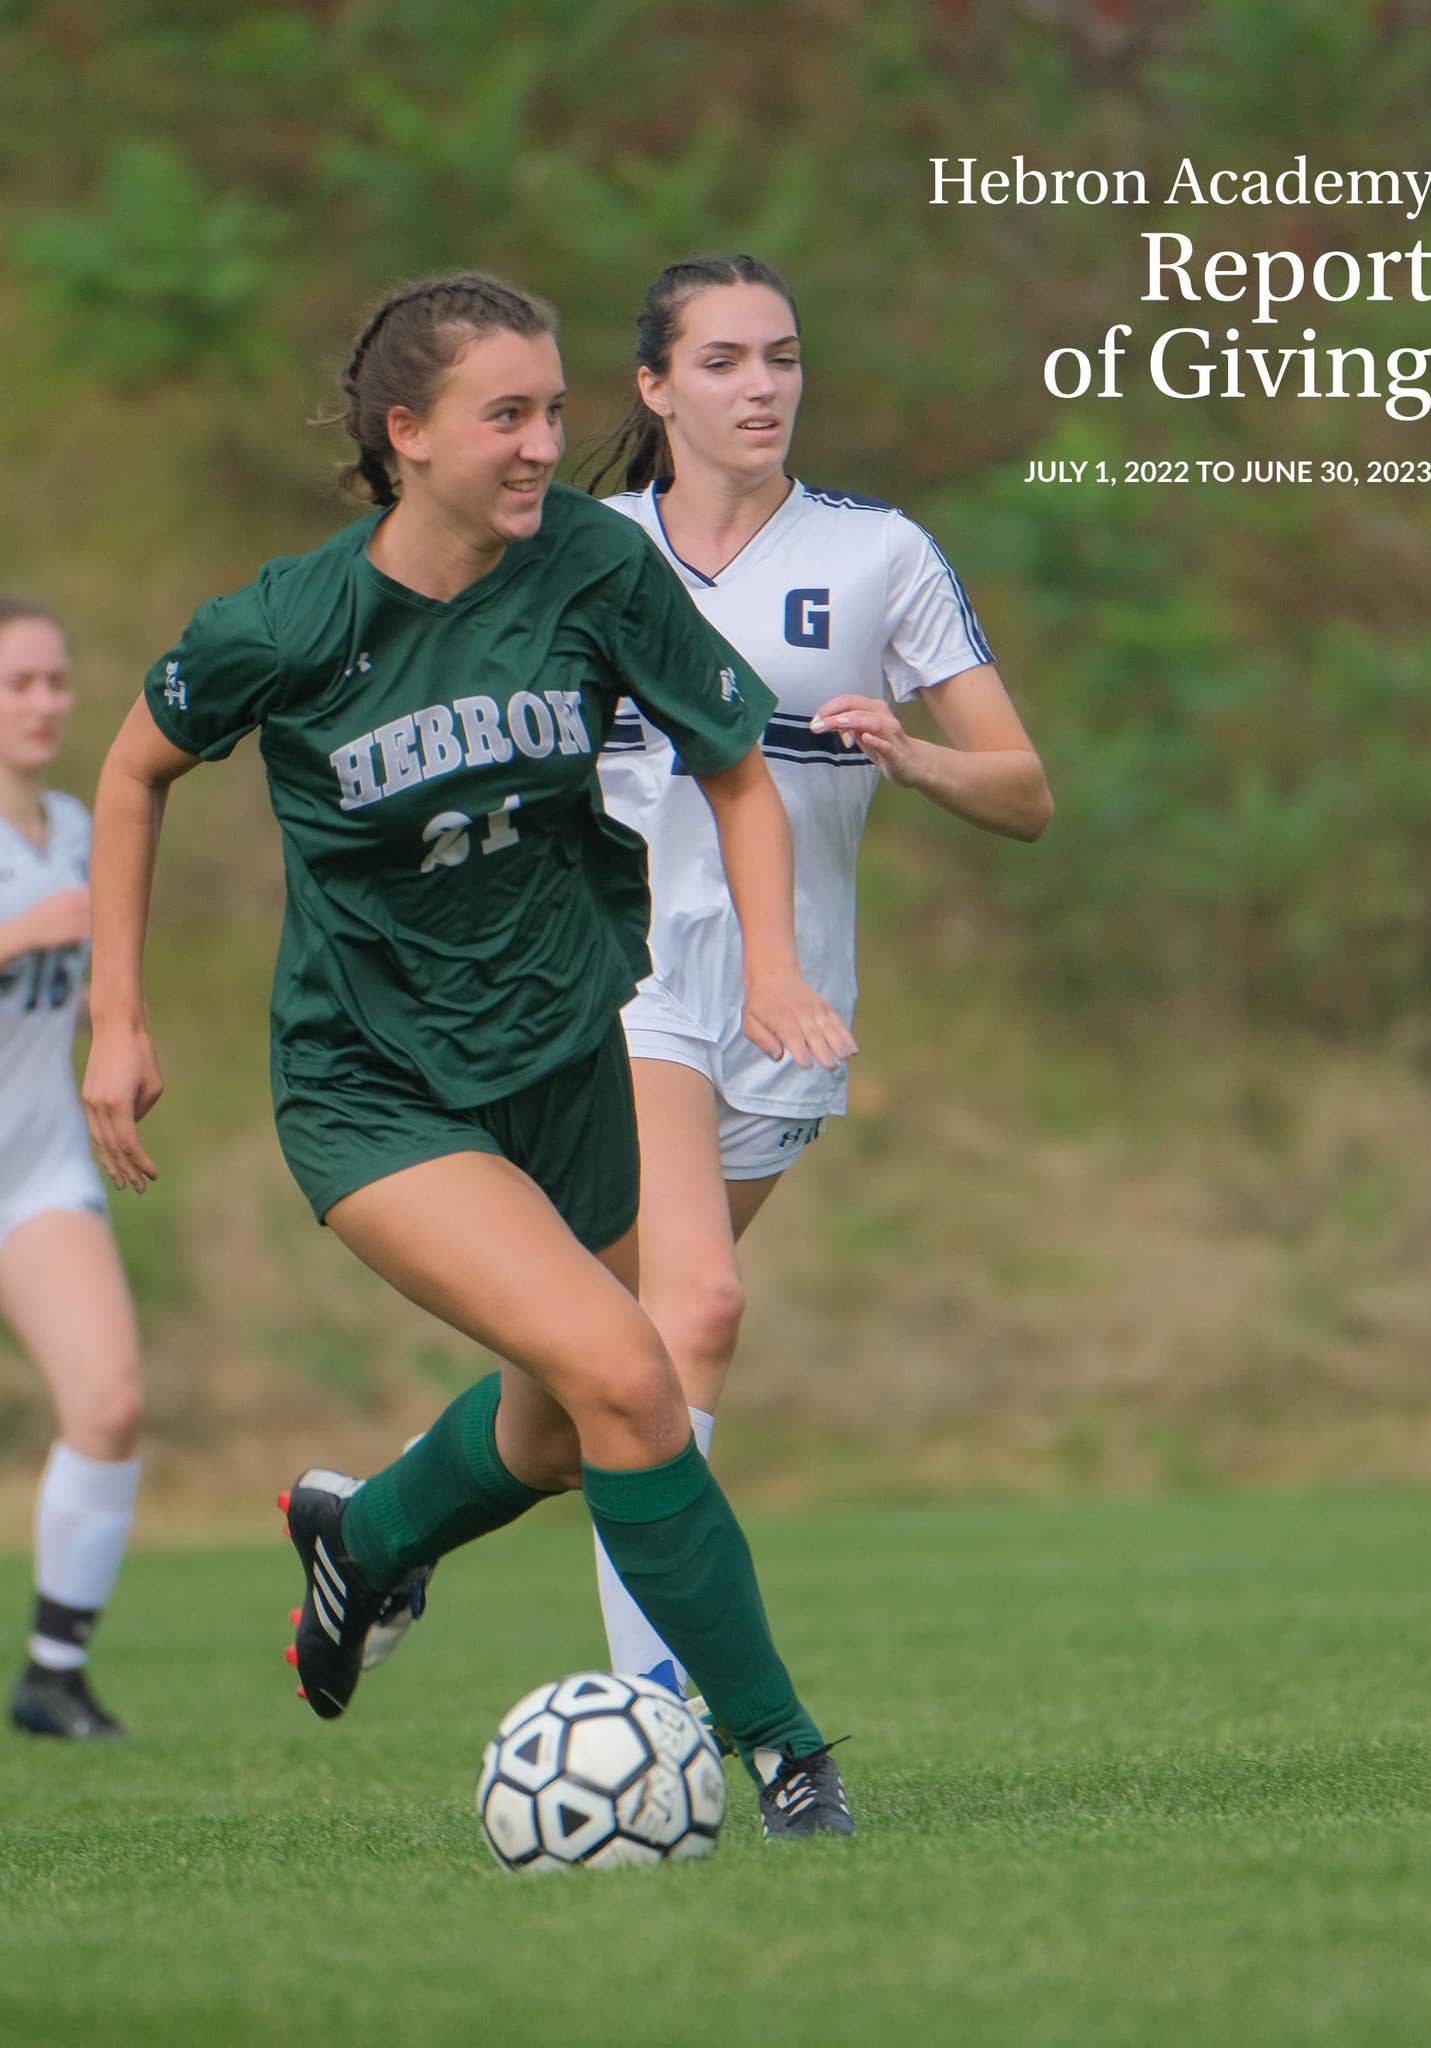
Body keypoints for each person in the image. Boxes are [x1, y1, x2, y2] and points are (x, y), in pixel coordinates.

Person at [81, 273, 859, 1836]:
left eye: (555, 410)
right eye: (508, 415)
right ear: (408, 433)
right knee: (631, 1375)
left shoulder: (590, 565)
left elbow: (736, 770)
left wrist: (774, 966)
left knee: (565, 1427)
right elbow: (133, 767)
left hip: (568, 1060)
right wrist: (119, 1015)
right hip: (377, 1090)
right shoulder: (292, 624)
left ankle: (368, 1536)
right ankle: (787, 1757)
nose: (545, 445)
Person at [582, 255, 1053, 1704]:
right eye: (722, 361)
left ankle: (377, 1522)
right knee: (700, 1311)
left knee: (600, 1361)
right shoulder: (579, 550)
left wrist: (914, 757)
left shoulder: (878, 553)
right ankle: (665, 1714)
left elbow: (1026, 790)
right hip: (620, 978)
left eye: (781, 357)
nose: (762, 387)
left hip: (791, 1007)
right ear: (656, 387)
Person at [0, 597, 142, 1740]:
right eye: (19, 683)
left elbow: (92, 990)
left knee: (109, 1401)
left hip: (36, 1170)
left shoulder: (79, 828)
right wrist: (18, 934)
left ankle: (54, 1672)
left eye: (56, 679)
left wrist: (122, 1036)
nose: (45, 701)